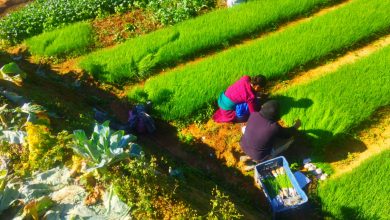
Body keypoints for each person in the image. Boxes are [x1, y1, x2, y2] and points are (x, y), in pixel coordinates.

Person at [239, 100, 301, 170]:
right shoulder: (274, 127)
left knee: (246, 129)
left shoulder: (253, 114)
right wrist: (296, 126)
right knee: (290, 140)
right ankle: (257, 164)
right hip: (259, 156)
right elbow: (287, 135)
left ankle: (249, 156)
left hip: (243, 145)